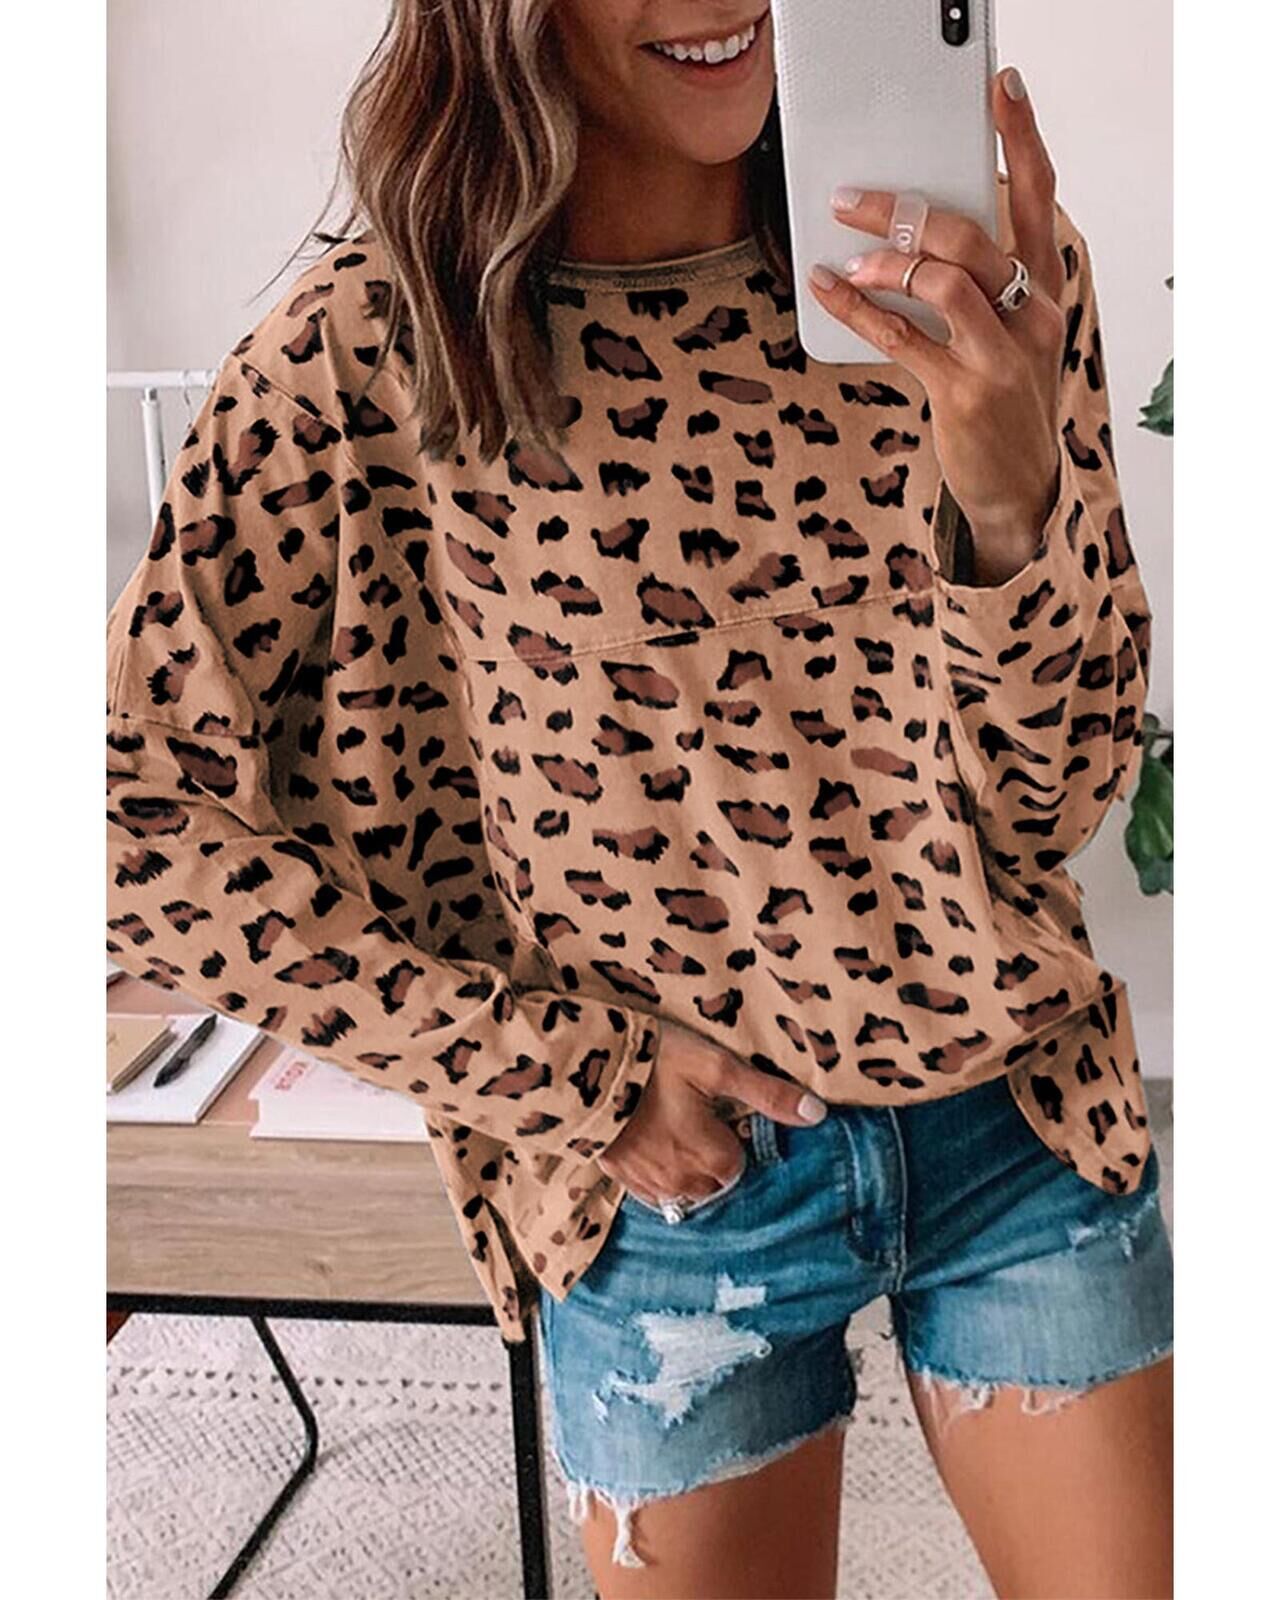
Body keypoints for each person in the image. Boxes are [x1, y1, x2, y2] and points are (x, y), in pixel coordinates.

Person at [105, 4, 1172, 1595]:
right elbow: (125, 826)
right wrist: (566, 1078)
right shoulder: (371, 353)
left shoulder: (977, 279)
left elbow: (1062, 795)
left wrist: (1013, 507)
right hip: (681, 1188)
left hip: (1008, 1109)